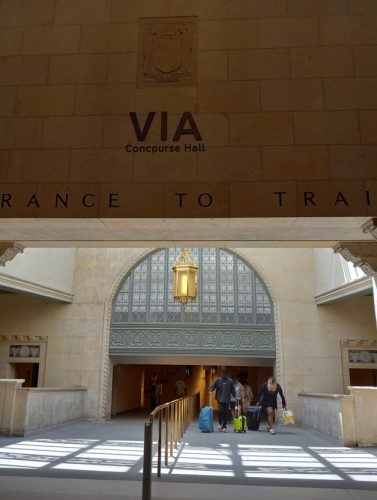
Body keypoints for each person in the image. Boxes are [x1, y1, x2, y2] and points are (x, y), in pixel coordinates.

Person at [209, 367, 236, 432]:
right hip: (220, 398)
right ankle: (220, 423)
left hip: (227, 399)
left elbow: (233, 389)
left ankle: (224, 426)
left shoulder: (230, 381)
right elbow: (213, 386)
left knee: (226, 413)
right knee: (220, 411)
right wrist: (210, 390)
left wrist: (234, 395)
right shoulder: (218, 380)